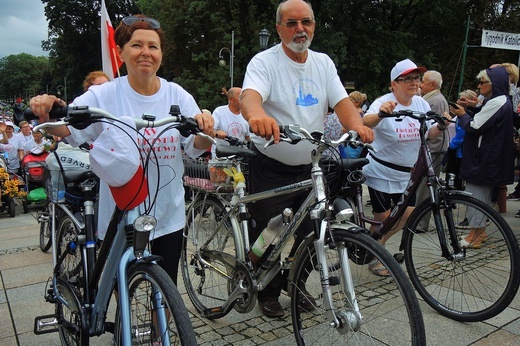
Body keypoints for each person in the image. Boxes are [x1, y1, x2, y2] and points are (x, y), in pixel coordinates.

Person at [28, 14, 215, 286]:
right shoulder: (104, 94)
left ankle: (161, 330)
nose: (146, 53)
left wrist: (205, 128)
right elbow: (69, 129)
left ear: (161, 53)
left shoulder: (178, 95)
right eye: (137, 45)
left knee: (166, 289)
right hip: (121, 211)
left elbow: (194, 145)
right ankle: (122, 327)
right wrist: (47, 112)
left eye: (153, 46)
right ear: (121, 52)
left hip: (167, 212)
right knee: (119, 287)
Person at [240, 0, 374, 318]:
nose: (300, 29)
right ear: (279, 28)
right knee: (269, 235)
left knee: (314, 233)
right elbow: (250, 96)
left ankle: (295, 284)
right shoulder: (265, 62)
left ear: (314, 25)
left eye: (307, 22)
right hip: (271, 165)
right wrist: (258, 116)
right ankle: (266, 292)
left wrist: (357, 127)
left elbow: (341, 101)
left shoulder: (323, 63)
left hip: (311, 165)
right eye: (292, 23)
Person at [361, 58, 446, 276]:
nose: (414, 82)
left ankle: (370, 246)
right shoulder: (384, 101)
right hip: (381, 170)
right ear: (394, 84)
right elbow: (365, 122)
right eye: (407, 78)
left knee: (407, 214)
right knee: (385, 218)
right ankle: (376, 254)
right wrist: (381, 114)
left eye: (416, 78)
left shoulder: (421, 104)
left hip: (407, 173)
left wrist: (441, 125)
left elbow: (429, 134)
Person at [449, 66, 514, 247]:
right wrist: (473, 107)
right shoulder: (500, 101)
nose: (479, 86)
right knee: (481, 196)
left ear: (493, 84)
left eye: (482, 82)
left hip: (483, 158)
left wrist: (462, 115)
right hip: (488, 157)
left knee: (475, 196)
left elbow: (475, 126)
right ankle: (480, 232)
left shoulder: (496, 102)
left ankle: (474, 237)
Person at [415, 70, 450, 231]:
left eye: (422, 81)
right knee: (424, 186)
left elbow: (430, 128)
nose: (420, 84)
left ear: (431, 85)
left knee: (425, 188)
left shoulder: (434, 100)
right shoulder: (434, 98)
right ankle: (419, 220)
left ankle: (421, 223)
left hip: (432, 149)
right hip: (433, 148)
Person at [212, 87, 250, 156]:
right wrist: (216, 133)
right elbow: (209, 131)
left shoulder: (246, 115)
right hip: (221, 158)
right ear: (231, 100)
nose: (244, 101)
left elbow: (248, 137)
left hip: (240, 158)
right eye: (241, 98)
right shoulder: (219, 112)